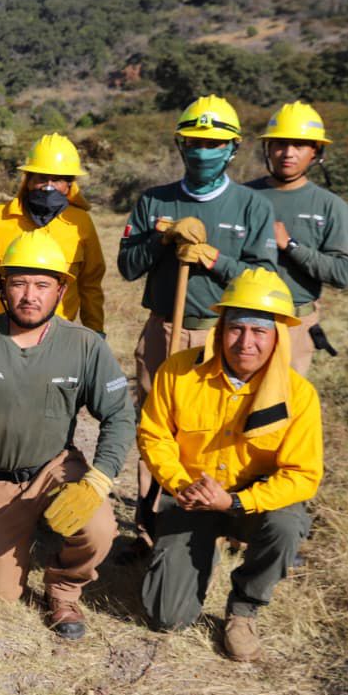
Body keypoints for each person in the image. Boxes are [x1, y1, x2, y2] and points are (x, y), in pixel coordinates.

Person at [0, 230, 134, 639]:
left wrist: (99, 478)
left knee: (100, 528)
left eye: (42, 285)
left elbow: (119, 415)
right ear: (2, 287)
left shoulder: (85, 346)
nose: (30, 295)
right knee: (0, 596)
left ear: (61, 290)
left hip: (54, 468)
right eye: (19, 283)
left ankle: (64, 588)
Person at [138, 268, 322, 662]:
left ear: (278, 336)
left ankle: (244, 609)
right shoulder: (178, 371)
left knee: (286, 524)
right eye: (236, 328)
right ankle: (199, 553)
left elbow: (302, 475)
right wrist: (180, 483)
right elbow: (154, 436)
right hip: (191, 496)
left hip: (253, 502)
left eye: (259, 331)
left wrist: (237, 502)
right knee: (167, 618)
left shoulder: (299, 395)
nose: (246, 342)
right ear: (220, 328)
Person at [117, 95, 277, 544]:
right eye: (194, 142)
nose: (203, 152)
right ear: (180, 145)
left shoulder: (252, 205)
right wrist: (161, 239)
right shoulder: (154, 200)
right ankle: (150, 528)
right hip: (163, 329)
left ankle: (222, 523)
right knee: (157, 428)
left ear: (232, 148)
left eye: (213, 144)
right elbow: (127, 267)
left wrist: (212, 258)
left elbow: (264, 279)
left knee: (223, 430)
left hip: (224, 335)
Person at [247, 102, 348, 375]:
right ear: (268, 148)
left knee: (286, 398)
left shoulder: (330, 206)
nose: (288, 153)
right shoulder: (243, 196)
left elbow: (343, 274)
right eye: (280, 144)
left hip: (296, 323)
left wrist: (290, 245)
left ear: (315, 151)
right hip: (243, 320)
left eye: (299, 145)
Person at [0, 133, 105, 336]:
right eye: (42, 178)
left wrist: (95, 331)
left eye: (57, 180)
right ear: (27, 180)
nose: (48, 186)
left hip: (57, 336)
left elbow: (91, 285)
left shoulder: (80, 223)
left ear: (69, 185)